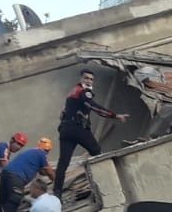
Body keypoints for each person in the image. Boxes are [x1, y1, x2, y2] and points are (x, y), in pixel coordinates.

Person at [52, 67, 129, 196]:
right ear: (81, 79)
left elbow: (63, 113)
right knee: (97, 153)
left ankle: (57, 192)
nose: (89, 81)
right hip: (78, 129)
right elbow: (95, 107)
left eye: (91, 79)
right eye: (86, 78)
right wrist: (115, 115)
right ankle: (108, 184)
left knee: (63, 162)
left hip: (66, 130)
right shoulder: (83, 92)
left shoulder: (72, 92)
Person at [0, 132, 49, 212]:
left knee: (3, 202)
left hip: (5, 175)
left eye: (21, 145)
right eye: (18, 143)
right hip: (14, 177)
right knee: (14, 201)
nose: (19, 147)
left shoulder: (29, 154)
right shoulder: (3, 148)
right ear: (12, 140)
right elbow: (48, 171)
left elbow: (42, 171)